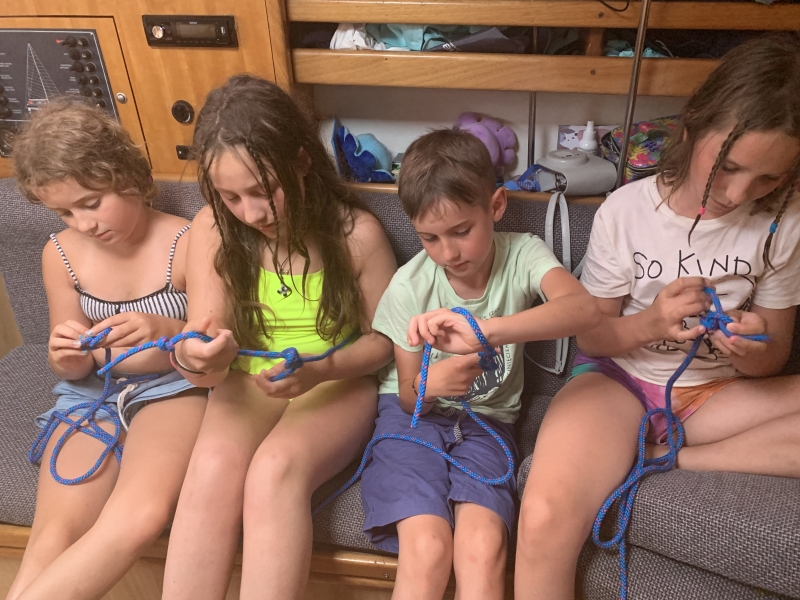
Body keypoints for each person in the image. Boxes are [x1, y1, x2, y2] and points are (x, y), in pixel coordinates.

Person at [515, 34, 800, 600]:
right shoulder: (627, 210)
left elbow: (772, 361)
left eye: (767, 179)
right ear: (690, 126)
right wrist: (651, 323)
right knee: (543, 517)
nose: (738, 193)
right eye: (728, 166)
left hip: (714, 395)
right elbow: (594, 339)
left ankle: (673, 458)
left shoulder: (786, 223)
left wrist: (752, 347)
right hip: (616, 381)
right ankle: (651, 449)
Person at [161, 75, 396, 600]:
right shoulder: (212, 229)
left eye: (264, 190)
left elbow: (383, 344)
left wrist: (321, 368)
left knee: (274, 472)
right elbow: (205, 348)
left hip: (336, 380)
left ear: (303, 160)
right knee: (212, 470)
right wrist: (197, 356)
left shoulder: (356, 234)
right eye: (231, 196)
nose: (252, 214)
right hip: (246, 380)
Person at [359, 128, 601, 600]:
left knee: (483, 547)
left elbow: (584, 310)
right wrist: (430, 384)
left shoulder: (523, 252)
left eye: (461, 232)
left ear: (496, 206)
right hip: (413, 419)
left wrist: (486, 331)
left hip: (488, 422)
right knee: (427, 548)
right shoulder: (409, 286)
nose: (448, 253)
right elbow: (407, 395)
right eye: (429, 238)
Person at [6, 99, 207, 600]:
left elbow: (212, 342)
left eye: (92, 203)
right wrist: (66, 355)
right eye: (64, 212)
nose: (83, 223)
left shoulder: (187, 242)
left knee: (138, 518)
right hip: (91, 394)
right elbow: (69, 362)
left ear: (131, 177)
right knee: (51, 537)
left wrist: (165, 327)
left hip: (173, 390)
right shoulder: (60, 253)